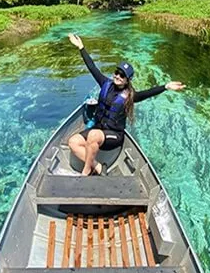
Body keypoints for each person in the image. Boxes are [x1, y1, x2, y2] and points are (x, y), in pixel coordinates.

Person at [67, 33, 185, 176]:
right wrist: (81, 47)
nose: (117, 76)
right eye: (117, 72)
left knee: (93, 135)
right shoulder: (105, 84)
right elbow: (92, 67)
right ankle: (98, 167)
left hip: (113, 135)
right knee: (73, 142)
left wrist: (165, 86)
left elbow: (149, 92)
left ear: (127, 80)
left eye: (122, 75)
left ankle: (86, 172)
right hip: (98, 130)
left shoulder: (130, 96)